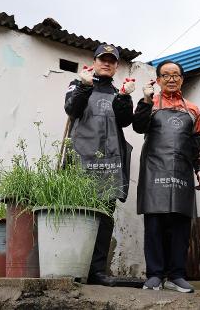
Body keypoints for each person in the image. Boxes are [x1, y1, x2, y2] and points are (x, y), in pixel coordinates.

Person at [133, 60, 200, 293]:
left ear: (182, 79)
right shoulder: (150, 103)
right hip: (154, 170)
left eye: (176, 75)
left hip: (182, 172)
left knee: (180, 225)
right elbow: (138, 126)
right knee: (154, 224)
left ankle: (176, 275)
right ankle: (154, 275)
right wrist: (145, 101)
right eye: (166, 75)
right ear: (158, 79)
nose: (171, 79)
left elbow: (197, 142)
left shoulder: (193, 109)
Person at [64, 44, 134, 286]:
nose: (107, 63)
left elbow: (126, 122)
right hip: (81, 161)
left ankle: (96, 272)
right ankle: (73, 267)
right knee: (78, 214)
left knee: (104, 218)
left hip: (110, 164)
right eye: (102, 59)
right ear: (94, 61)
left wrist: (125, 97)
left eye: (111, 61)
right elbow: (71, 109)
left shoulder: (119, 92)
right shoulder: (78, 83)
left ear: (116, 66)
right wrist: (84, 86)